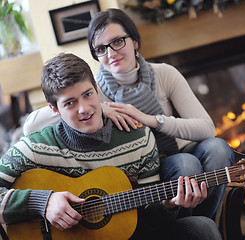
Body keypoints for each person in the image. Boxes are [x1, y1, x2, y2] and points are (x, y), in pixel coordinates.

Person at [23, 8, 234, 219]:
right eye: (101, 48)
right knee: (187, 164)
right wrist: (102, 105)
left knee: (218, 148)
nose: (111, 53)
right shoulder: (92, 93)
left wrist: (150, 120)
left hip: (179, 149)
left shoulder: (164, 74)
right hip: (143, 170)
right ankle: (187, 226)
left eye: (117, 41)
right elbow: (30, 126)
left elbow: (207, 128)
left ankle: (208, 220)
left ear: (134, 41)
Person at [0, 53, 222, 239]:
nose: (84, 109)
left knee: (203, 228)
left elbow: (148, 218)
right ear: (54, 109)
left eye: (88, 95)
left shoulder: (138, 137)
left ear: (97, 89)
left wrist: (169, 205)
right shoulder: (33, 148)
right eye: (70, 103)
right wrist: (44, 202)